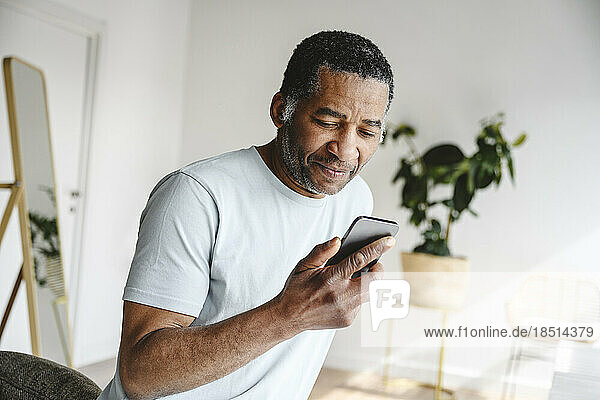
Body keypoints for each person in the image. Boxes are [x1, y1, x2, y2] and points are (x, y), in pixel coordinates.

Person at [98, 30, 396, 400]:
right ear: (280, 110)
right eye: (327, 122)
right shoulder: (196, 195)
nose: (346, 150)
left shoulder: (355, 199)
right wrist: (288, 314)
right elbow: (139, 376)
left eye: (367, 131)